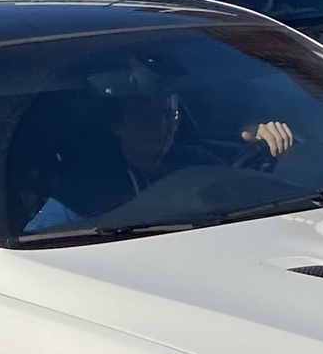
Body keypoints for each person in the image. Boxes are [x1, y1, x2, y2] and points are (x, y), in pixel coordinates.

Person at [16, 56, 296, 234]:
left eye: (170, 115)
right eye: (148, 118)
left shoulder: (193, 160)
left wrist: (260, 142)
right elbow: (40, 236)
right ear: (116, 125)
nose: (165, 127)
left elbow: (236, 187)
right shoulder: (84, 186)